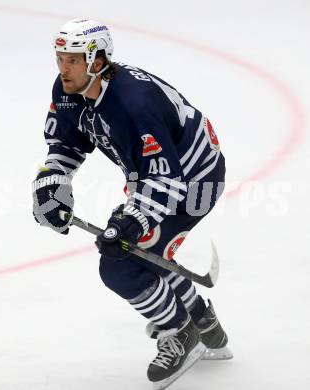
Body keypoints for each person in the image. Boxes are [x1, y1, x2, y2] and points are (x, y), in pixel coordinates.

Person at [32, 18, 232, 389]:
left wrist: (131, 222)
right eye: (60, 57)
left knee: (120, 262)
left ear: (98, 60)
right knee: (138, 246)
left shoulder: (133, 103)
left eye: (73, 60)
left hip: (194, 180)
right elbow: (66, 144)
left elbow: (168, 181)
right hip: (155, 175)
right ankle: (205, 322)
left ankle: (179, 332)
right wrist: (51, 183)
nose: (63, 68)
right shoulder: (68, 90)